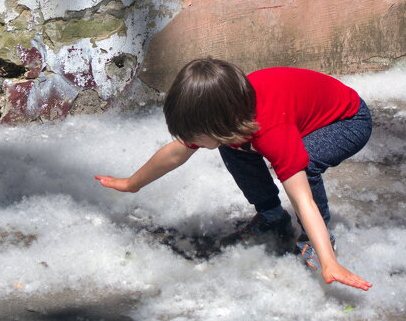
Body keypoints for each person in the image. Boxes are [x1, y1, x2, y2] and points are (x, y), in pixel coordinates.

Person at [95, 58, 373, 292]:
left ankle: (318, 242)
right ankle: (272, 217)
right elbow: (175, 154)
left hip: (347, 121)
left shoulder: (271, 131)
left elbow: (303, 199)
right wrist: (132, 183)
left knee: (305, 163)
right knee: (232, 146)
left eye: (195, 136)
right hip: (289, 118)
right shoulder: (224, 112)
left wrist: (329, 261)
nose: (191, 141)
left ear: (219, 122)